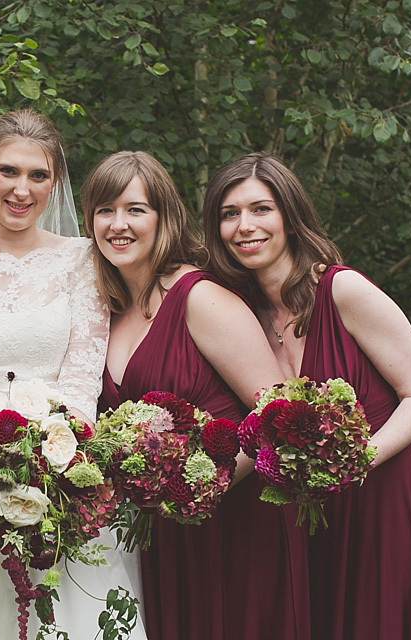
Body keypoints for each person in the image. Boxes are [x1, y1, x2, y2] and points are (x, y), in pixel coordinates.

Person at [201, 151, 411, 639]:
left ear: (290, 216)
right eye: (229, 214)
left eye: (261, 209)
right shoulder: (241, 316)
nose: (244, 226)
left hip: (387, 503)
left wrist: (352, 463)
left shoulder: (343, 291)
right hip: (312, 521)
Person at [0, 110, 146, 639]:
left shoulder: (82, 260)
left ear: (56, 183)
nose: (21, 189)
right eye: (9, 171)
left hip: (65, 477)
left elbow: (82, 380)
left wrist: (49, 468)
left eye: (38, 176)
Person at [83, 150, 310, 640]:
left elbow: (280, 417)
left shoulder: (199, 298)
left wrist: (207, 485)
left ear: (164, 218)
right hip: (162, 532)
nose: (118, 224)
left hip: (238, 524)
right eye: (105, 210)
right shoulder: (105, 311)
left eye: (135, 210)